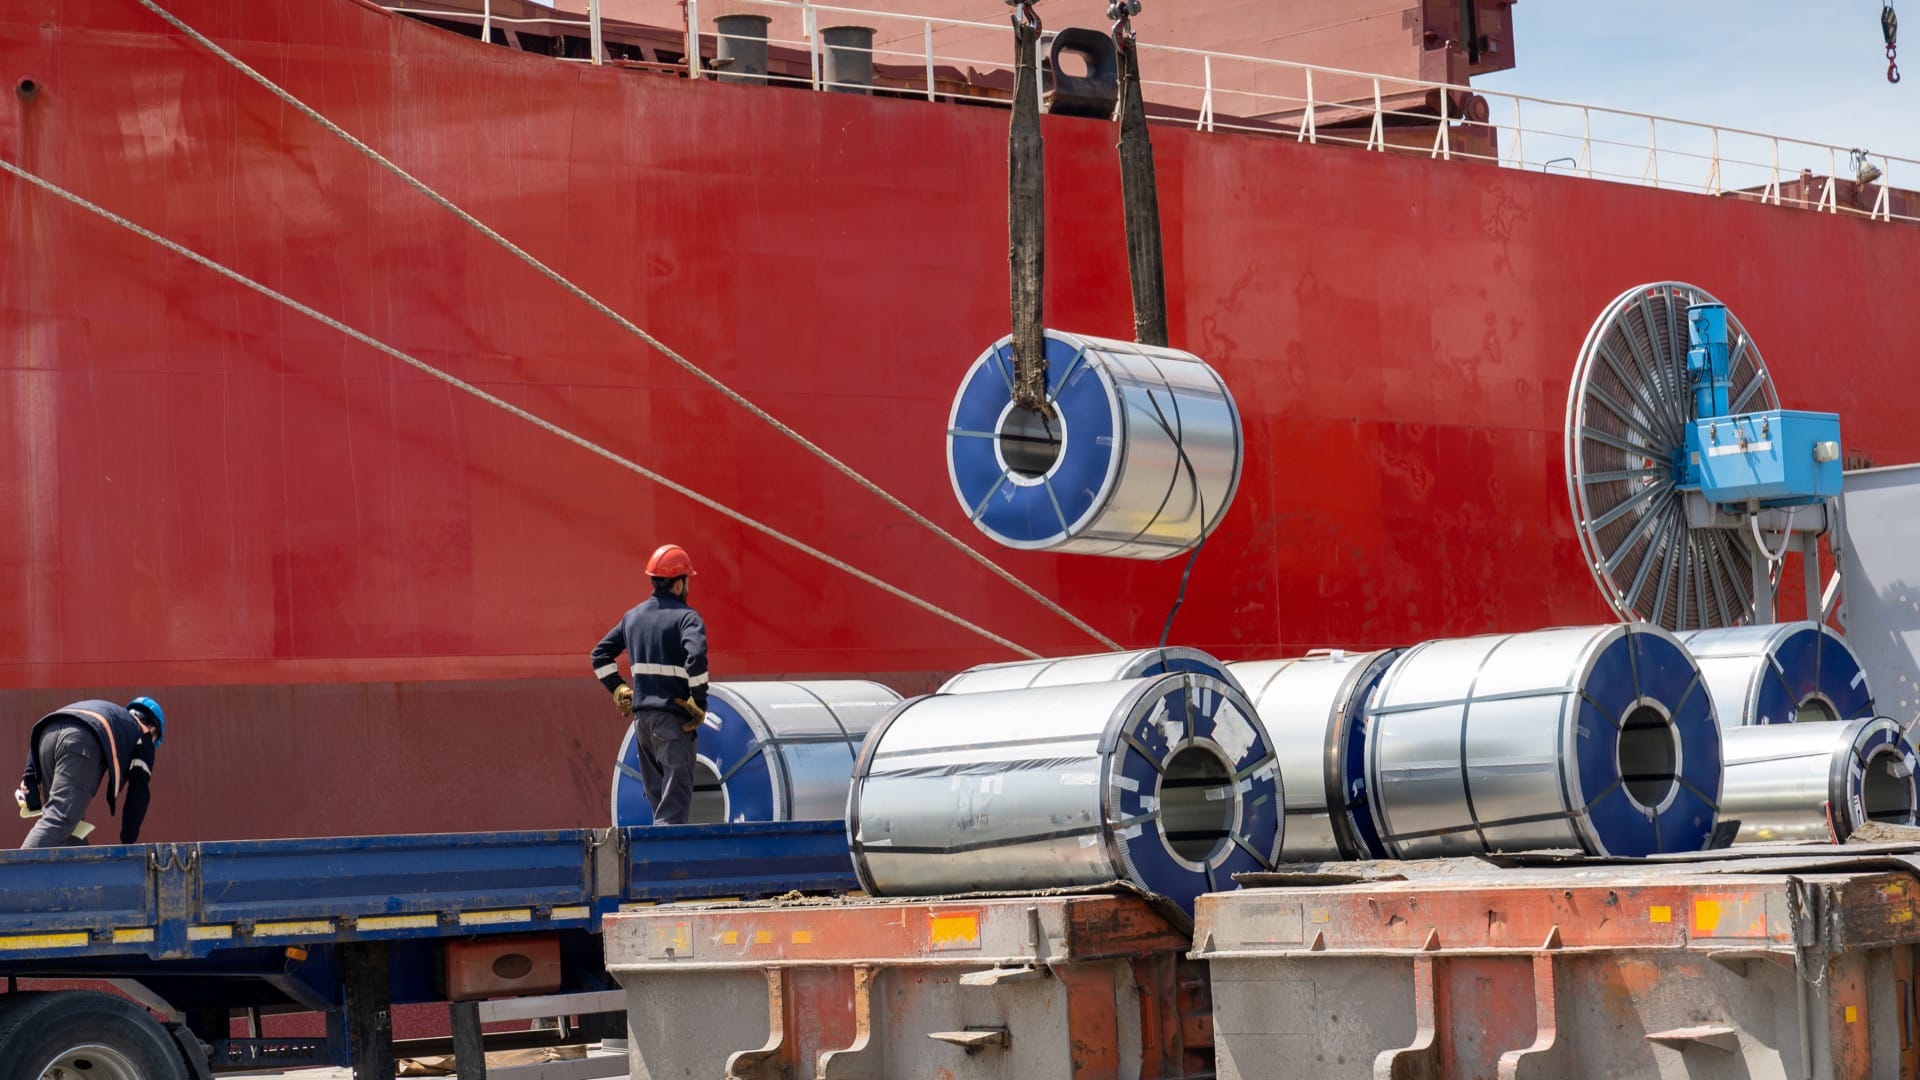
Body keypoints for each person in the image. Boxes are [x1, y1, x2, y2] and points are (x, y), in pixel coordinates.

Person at [590, 544, 709, 825]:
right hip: (672, 721)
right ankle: (668, 863)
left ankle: (656, 860)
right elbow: (696, 658)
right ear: (679, 583)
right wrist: (699, 701)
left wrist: (618, 688)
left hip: (642, 724)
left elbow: (599, 655)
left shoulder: (633, 617)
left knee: (659, 802)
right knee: (674, 807)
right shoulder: (686, 618)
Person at [16, 697, 165, 848]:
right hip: (80, 740)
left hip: (45, 735)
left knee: (68, 828)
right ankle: (17, 871)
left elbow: (60, 720)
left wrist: (29, 775)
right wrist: (128, 844)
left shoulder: (112, 715)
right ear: (153, 729)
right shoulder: (144, 735)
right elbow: (138, 793)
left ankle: (78, 870)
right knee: (61, 818)